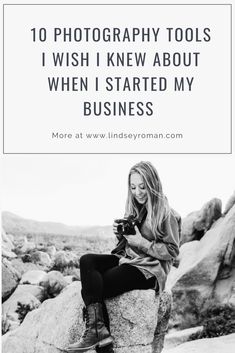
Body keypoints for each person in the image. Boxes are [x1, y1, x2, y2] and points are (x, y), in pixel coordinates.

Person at [67, 161, 181, 352]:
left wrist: (141, 242)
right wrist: (122, 235)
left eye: (143, 186)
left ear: (153, 184)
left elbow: (172, 251)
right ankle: (99, 333)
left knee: (95, 286)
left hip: (148, 269)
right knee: (87, 260)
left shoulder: (167, 214)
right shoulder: (137, 209)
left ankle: (100, 338)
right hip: (128, 259)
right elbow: (128, 243)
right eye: (133, 187)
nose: (138, 192)